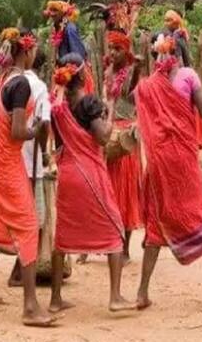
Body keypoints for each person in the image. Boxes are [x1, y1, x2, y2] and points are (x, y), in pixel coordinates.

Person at [134, 34, 202, 308]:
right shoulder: (188, 75)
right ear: (178, 54)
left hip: (159, 161)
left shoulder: (149, 85)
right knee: (199, 214)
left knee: (157, 221)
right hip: (184, 160)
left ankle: (142, 292)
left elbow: (132, 97)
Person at [0, 28, 55, 327]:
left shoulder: (4, 78)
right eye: (34, 51)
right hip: (4, 161)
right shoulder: (20, 83)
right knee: (29, 224)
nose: (35, 56)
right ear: (26, 51)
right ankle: (30, 306)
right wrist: (37, 130)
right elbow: (19, 131)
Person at [48, 53, 135, 313]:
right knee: (115, 229)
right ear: (83, 75)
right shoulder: (89, 103)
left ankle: (54, 299)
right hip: (89, 175)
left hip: (67, 175)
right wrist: (109, 111)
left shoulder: (56, 107)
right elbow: (102, 138)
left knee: (62, 238)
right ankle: (115, 297)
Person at [8, 49, 50, 287]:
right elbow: (44, 124)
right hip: (31, 161)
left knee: (19, 216)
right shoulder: (39, 87)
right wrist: (44, 153)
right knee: (36, 220)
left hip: (13, 159)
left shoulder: (9, 80)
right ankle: (20, 273)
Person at [102, 30, 142, 263]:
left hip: (126, 135)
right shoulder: (108, 72)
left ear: (125, 52)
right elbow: (107, 100)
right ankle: (108, 241)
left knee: (126, 192)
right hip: (110, 132)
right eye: (111, 49)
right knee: (109, 190)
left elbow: (131, 87)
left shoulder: (129, 73)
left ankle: (125, 248)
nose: (113, 53)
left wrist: (136, 68)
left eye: (117, 49)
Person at [43, 0, 96, 93]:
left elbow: (77, 57)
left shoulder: (70, 29)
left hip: (73, 77)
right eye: (50, 10)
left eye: (55, 10)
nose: (51, 14)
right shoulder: (57, 28)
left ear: (63, 13)